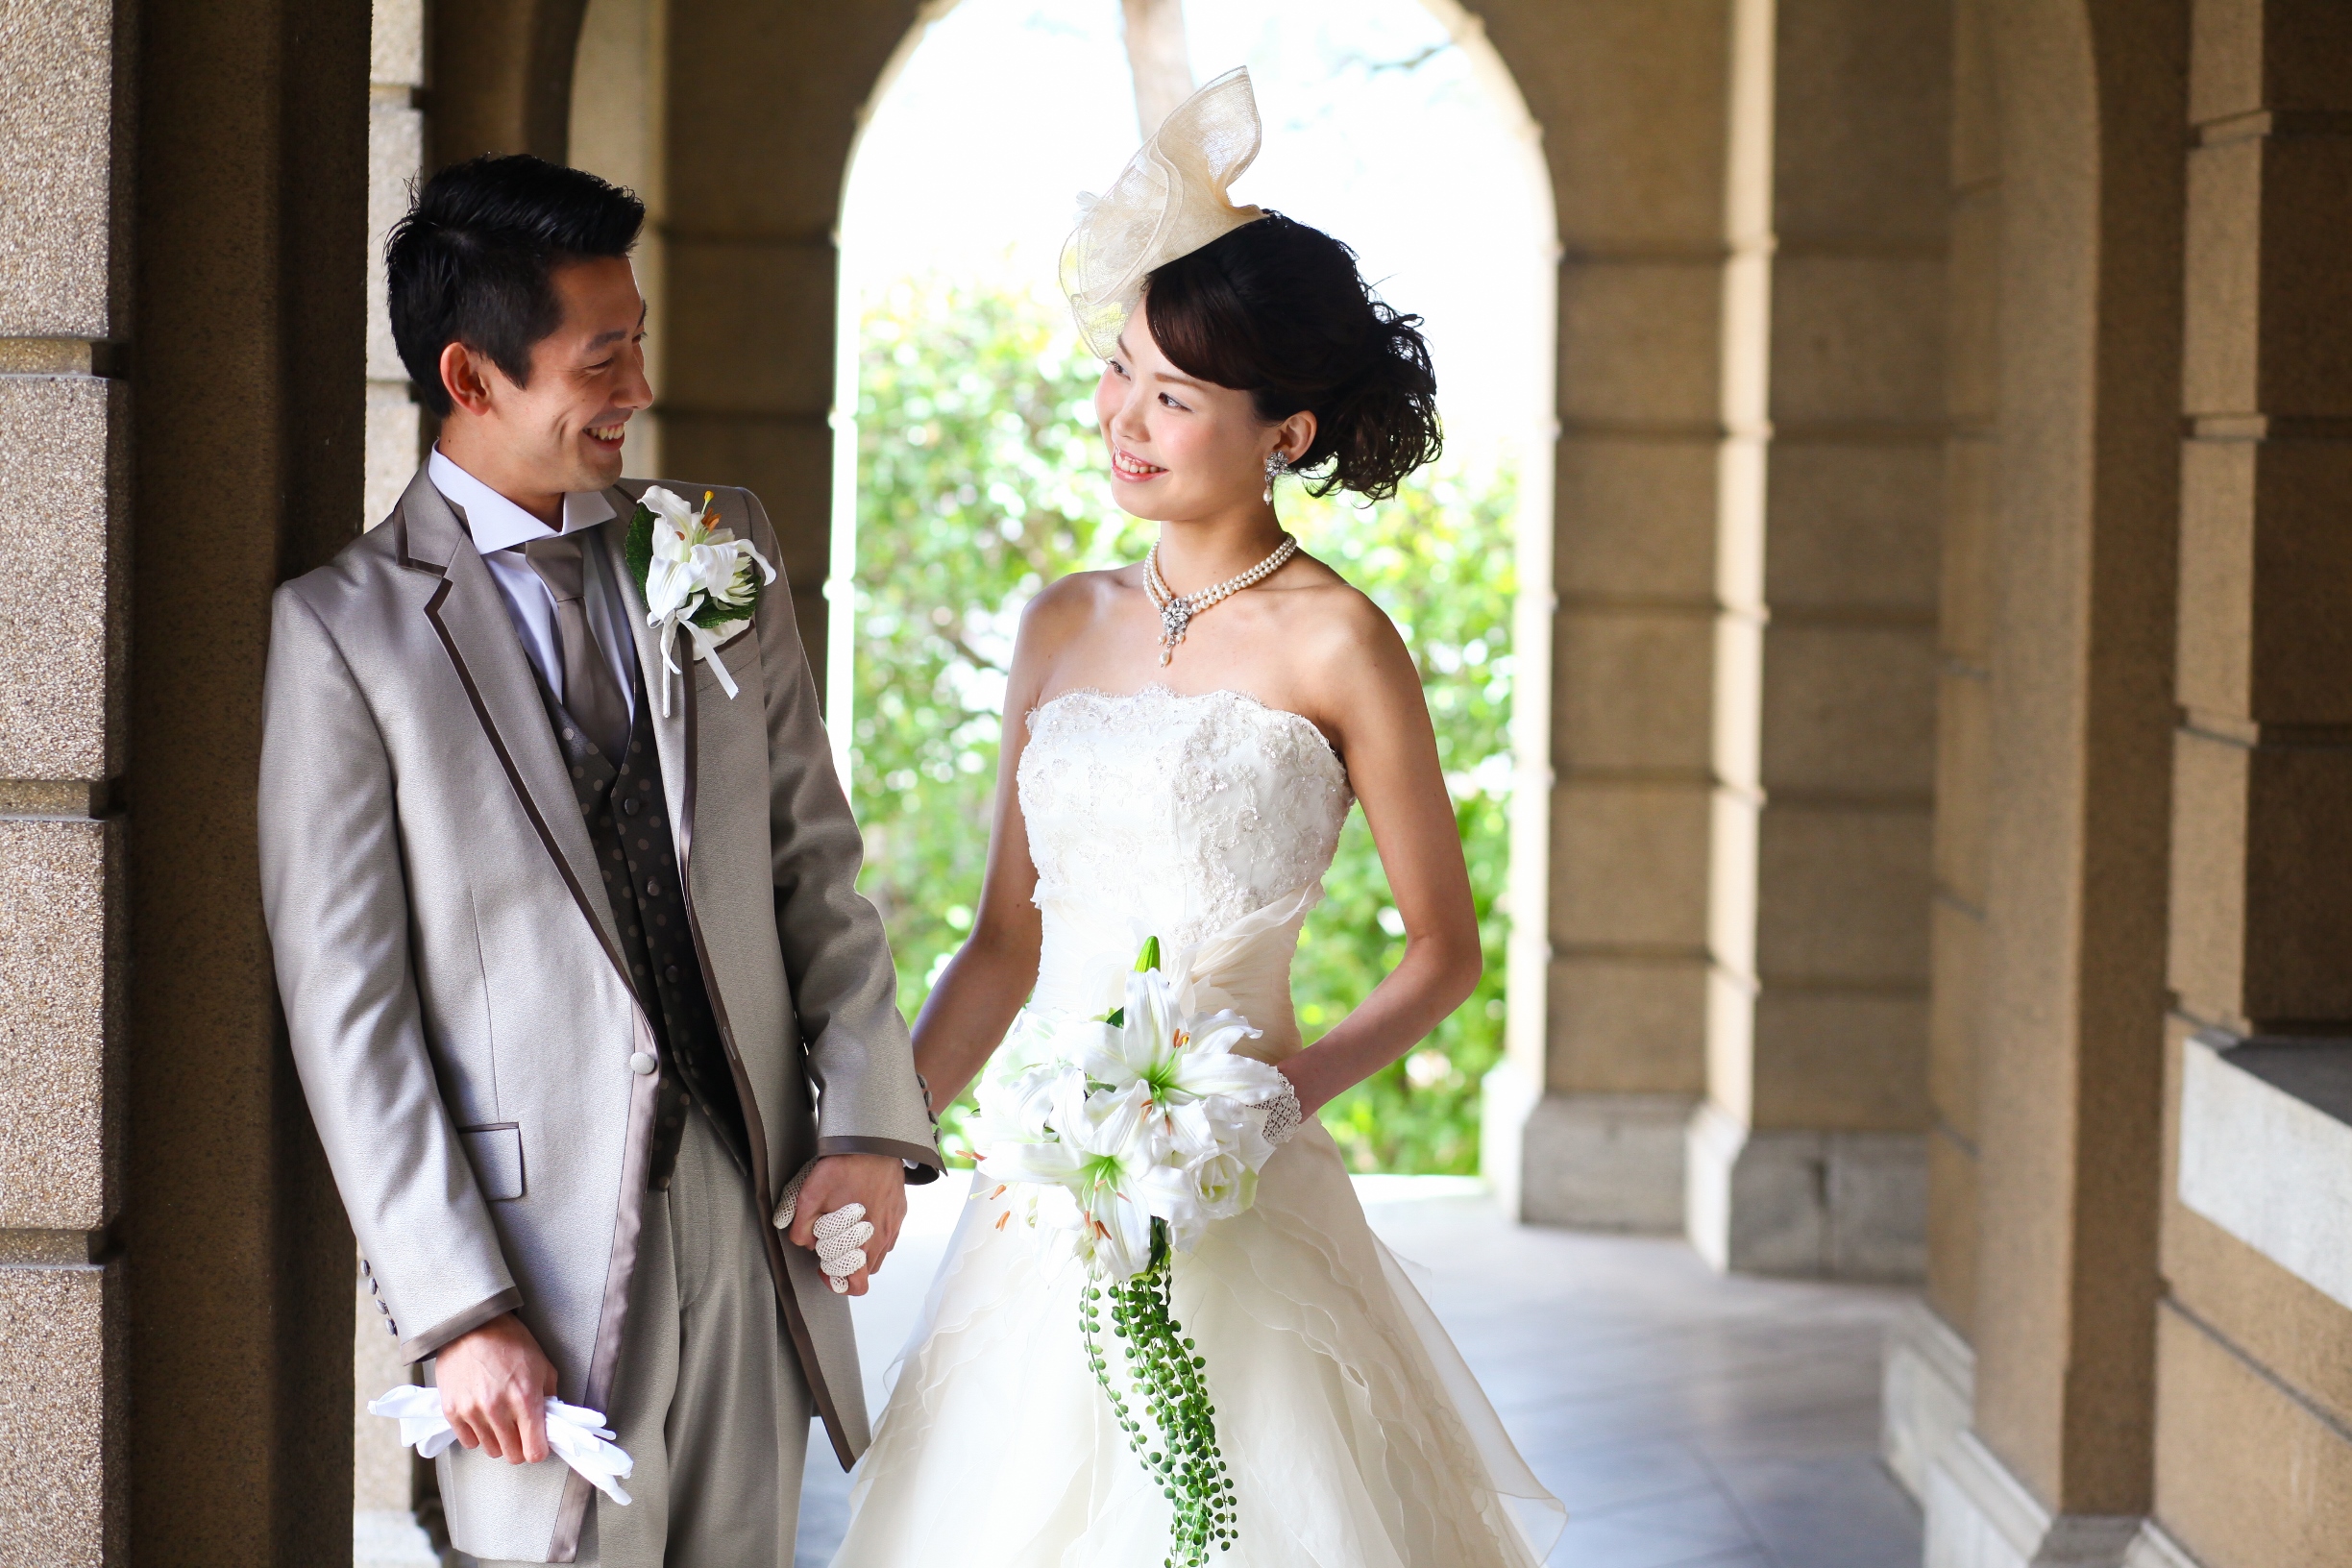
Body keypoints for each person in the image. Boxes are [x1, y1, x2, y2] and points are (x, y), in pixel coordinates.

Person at [830, 70, 1563, 1568]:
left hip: (1243, 1185)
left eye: (1173, 397)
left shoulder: (1340, 644)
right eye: (1120, 372)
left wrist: (1268, 1106)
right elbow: (1004, 947)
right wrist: (877, 1143)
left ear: (1284, 431)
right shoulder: (1061, 621)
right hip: (1044, 1203)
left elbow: (1445, 954)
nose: (1124, 420)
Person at [257, 154, 940, 1567]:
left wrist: (869, 1125)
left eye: (639, 341)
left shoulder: (716, 547)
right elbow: (349, 1013)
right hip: (540, 1265)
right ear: (471, 375)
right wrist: (458, 1310)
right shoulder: (346, 635)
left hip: (752, 1215)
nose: (638, 385)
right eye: (601, 357)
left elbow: (814, 862)